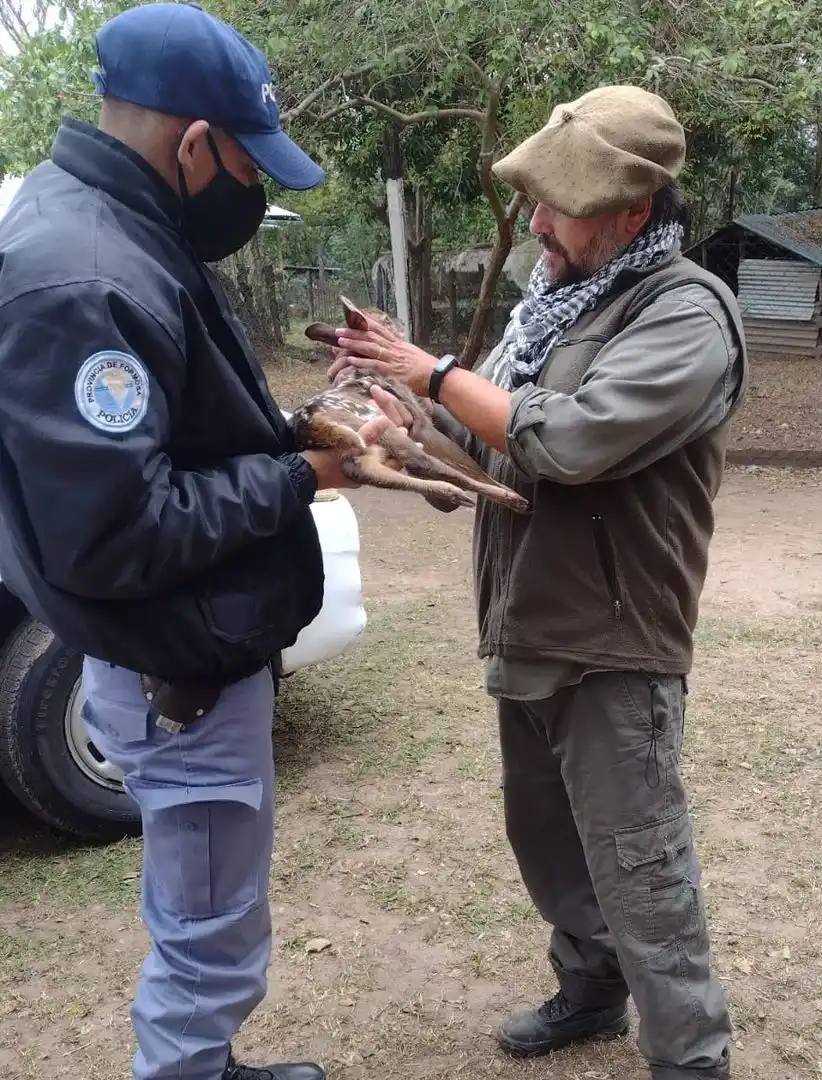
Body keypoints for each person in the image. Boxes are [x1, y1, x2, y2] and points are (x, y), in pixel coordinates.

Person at [0, 5, 406, 1080]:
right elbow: (113, 533)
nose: (252, 189)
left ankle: (205, 1068)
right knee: (208, 932)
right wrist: (297, 477)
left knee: (201, 905)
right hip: (172, 665)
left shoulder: (122, 229)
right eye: (247, 161)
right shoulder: (85, 274)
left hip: (178, 646)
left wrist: (297, 430)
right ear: (191, 144)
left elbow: (180, 431)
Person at [327, 85, 749, 1080]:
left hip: (614, 642)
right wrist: (407, 430)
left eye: (558, 204)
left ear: (632, 215)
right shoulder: (558, 308)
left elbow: (562, 444)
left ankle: (692, 1057)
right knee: (549, 841)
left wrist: (432, 372)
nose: (539, 224)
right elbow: (496, 459)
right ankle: (592, 990)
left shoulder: (687, 316)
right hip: (529, 626)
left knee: (641, 867)